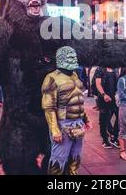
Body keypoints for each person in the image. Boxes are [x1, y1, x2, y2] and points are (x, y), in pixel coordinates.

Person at [41, 46, 92, 175]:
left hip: (78, 123)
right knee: (58, 161)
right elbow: (48, 107)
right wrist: (54, 129)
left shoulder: (74, 75)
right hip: (63, 124)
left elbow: (78, 99)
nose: (73, 58)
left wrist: (86, 119)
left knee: (75, 158)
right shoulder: (51, 78)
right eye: (70, 56)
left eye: (73, 55)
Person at [94, 67, 120, 149]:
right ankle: (105, 139)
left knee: (119, 116)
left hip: (114, 97)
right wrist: (103, 94)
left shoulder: (115, 69)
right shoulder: (100, 69)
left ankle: (114, 136)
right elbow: (98, 84)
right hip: (103, 97)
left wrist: (117, 94)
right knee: (104, 118)